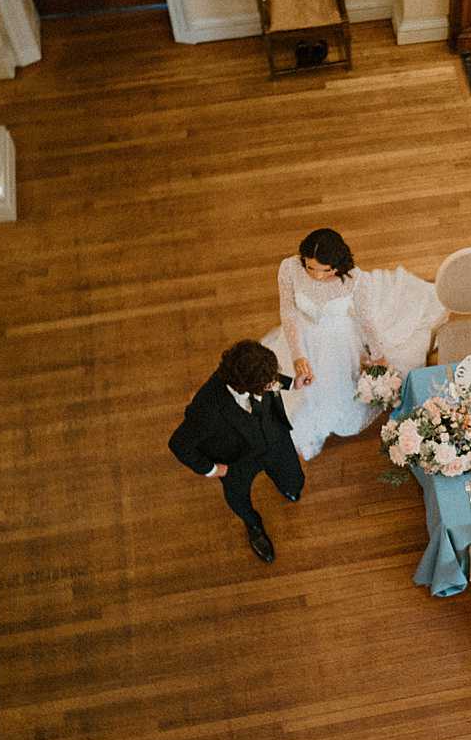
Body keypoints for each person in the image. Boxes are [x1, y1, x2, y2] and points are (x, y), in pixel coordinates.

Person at [264, 226, 445, 462]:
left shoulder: (354, 280)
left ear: (337, 265)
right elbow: (287, 312)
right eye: (310, 267)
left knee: (333, 384)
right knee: (298, 388)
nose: (315, 275)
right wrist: (298, 355)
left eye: (324, 270)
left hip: (338, 341)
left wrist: (378, 355)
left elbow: (365, 320)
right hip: (300, 337)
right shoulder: (289, 268)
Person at [168, 339, 303, 563]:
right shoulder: (206, 408)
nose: (273, 382)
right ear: (246, 385)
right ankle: (253, 525)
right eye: (268, 382)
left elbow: (269, 378)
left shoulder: (253, 370)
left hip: (275, 439)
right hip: (237, 460)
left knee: (294, 479)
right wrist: (212, 469)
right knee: (239, 498)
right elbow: (179, 444)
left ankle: (288, 487)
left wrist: (292, 384)